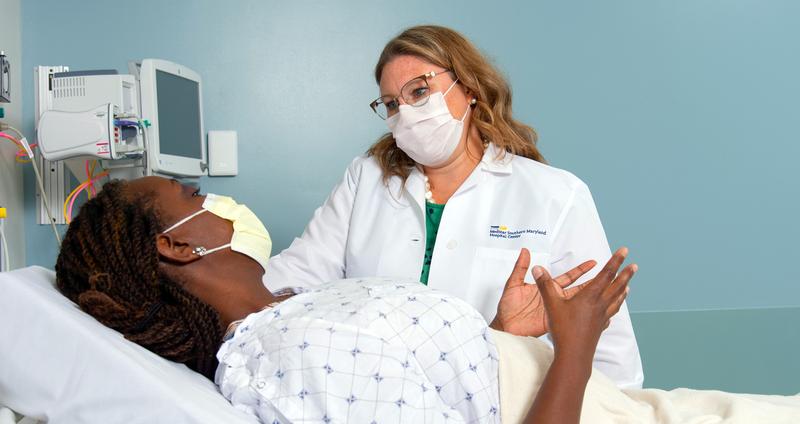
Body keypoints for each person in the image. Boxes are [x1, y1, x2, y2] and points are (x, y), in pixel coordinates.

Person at [55, 177, 635, 423]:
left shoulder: (298, 312)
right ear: (177, 244)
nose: (220, 202)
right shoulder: (295, 351)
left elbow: (417, 388)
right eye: (196, 195)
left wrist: (498, 335)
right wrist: (576, 346)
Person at [263, 25, 643, 388]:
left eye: (419, 92)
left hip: (509, 402)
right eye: (392, 104)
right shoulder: (366, 178)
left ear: (470, 88)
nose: (406, 112)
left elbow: (610, 357)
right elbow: (292, 280)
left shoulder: (555, 193)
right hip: (373, 397)